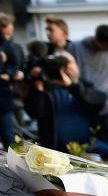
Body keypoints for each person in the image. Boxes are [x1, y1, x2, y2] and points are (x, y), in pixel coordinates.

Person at [23, 52, 92, 151]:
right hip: (53, 151)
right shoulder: (46, 89)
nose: (64, 69)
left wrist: (72, 85)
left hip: (83, 150)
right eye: (59, 65)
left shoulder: (85, 87)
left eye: (67, 64)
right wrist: (38, 88)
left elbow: (96, 102)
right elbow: (34, 112)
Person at [76, 25, 108, 129]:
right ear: (96, 40)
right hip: (81, 104)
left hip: (104, 107)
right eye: (106, 46)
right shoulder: (77, 47)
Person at [0, 14, 20, 146]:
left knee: (8, 134)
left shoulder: (7, 44)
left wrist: (8, 73)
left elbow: (14, 64)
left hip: (3, 95)